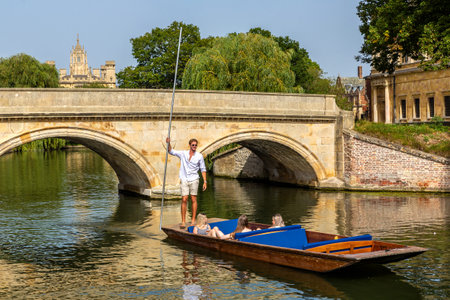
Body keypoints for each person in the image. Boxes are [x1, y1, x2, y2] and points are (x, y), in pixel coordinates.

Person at [166, 137, 207, 228]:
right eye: (193, 145)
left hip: (194, 179)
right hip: (184, 178)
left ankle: (193, 220)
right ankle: (183, 221)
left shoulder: (199, 156)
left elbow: (203, 169)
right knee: (184, 199)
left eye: (196, 145)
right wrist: (168, 143)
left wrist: (205, 181)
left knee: (193, 199)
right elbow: (171, 151)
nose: (194, 146)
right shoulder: (183, 154)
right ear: (189, 145)